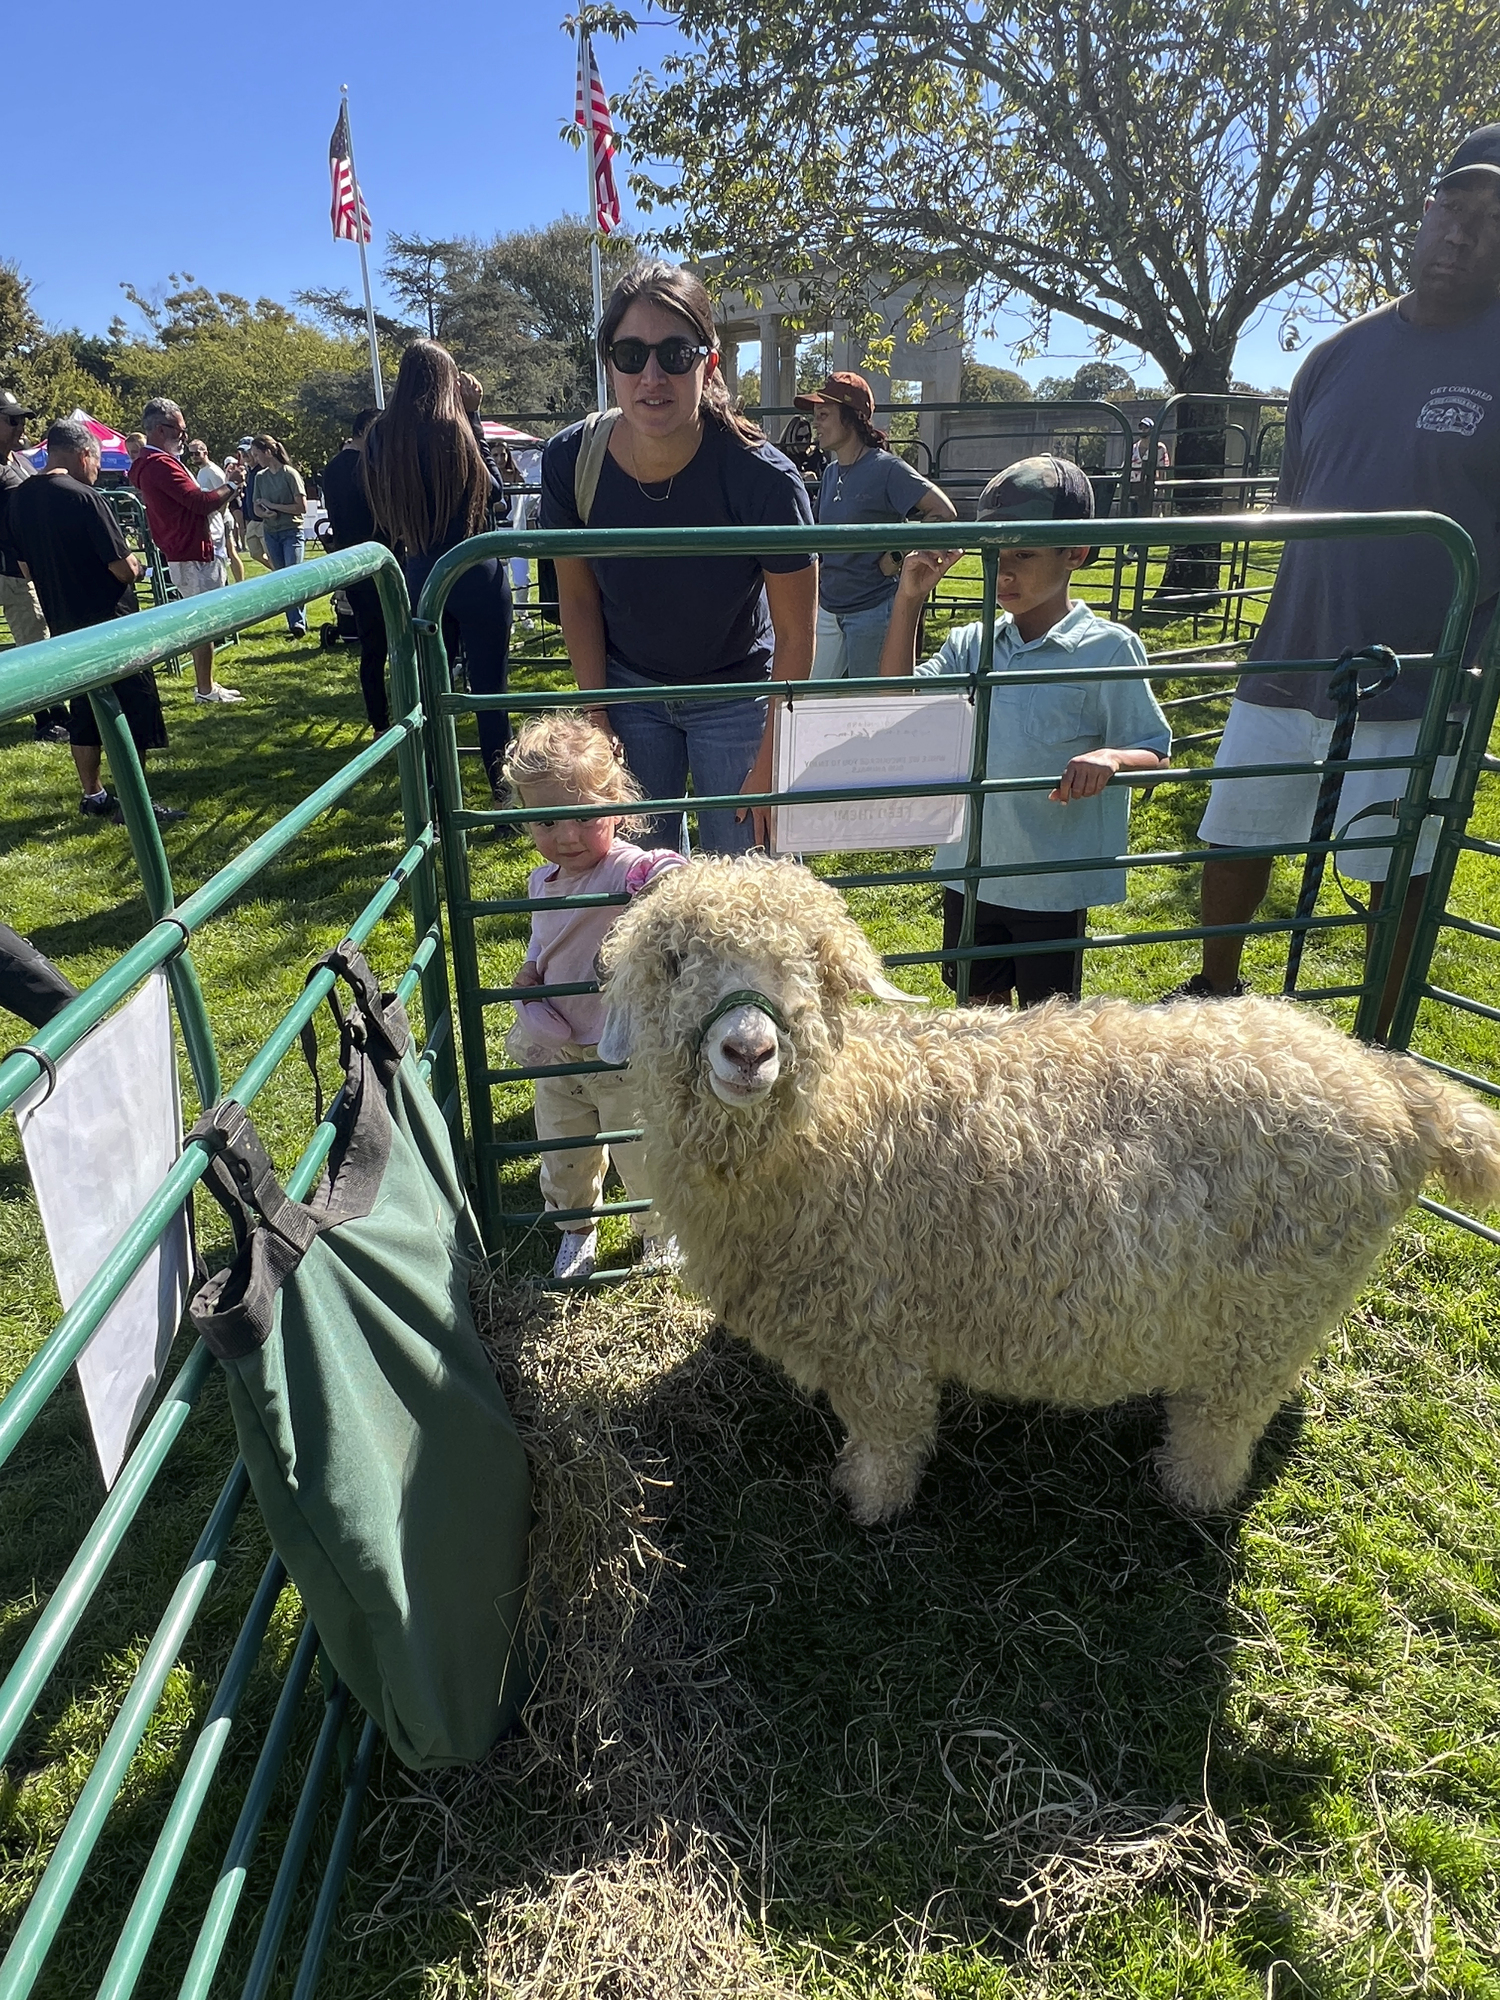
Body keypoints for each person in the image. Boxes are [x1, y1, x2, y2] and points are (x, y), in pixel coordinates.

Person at [1179, 123, 1500, 1036]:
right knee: (1236, 828)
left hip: (1423, 675)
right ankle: (1214, 993)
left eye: (1494, 220)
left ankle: (1379, 1036)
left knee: (1393, 863)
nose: (1463, 236)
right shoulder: (1335, 356)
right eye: (1453, 208)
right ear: (1423, 213)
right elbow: (1301, 500)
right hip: (1292, 647)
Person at [541, 261, 817, 853]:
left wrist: (770, 761)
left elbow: (797, 635)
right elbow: (578, 599)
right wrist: (598, 716)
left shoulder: (765, 479)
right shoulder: (571, 460)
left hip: (737, 694)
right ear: (608, 362)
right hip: (627, 690)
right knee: (634, 880)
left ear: (708, 362)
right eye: (630, 354)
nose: (651, 376)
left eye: (675, 352)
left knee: (740, 887)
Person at [879, 456, 1169, 1007]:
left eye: (1024, 553)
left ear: (1075, 552)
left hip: (1050, 886)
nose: (1004, 572)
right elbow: (895, 701)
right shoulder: (972, 644)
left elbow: (1155, 750)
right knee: (974, 1021)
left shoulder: (1109, 649)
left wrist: (1111, 758)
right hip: (970, 873)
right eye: (994, 554)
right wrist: (908, 601)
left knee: (1046, 1030)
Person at [501, 712, 685, 1280]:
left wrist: (657, 875)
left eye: (584, 815)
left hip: (620, 1047)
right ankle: (576, 1229)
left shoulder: (625, 869)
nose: (567, 836)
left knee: (640, 1147)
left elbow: (668, 871)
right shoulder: (541, 882)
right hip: (557, 1049)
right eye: (547, 820)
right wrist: (530, 972)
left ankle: (656, 1228)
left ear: (617, 803)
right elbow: (544, 941)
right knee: (563, 1149)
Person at [8, 417, 184, 824]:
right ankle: (135, 801)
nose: (97, 470)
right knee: (134, 709)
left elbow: (24, 567)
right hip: (111, 623)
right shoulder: (86, 498)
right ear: (83, 453)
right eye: (97, 460)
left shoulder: (19, 498)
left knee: (84, 708)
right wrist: (138, 566)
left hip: (64, 621)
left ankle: (93, 795)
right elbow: (123, 569)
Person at [362, 344, 513, 786]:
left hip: (419, 571)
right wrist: (475, 419)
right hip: (474, 569)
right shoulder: (454, 426)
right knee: (490, 695)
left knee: (429, 694)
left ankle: (431, 791)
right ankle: (501, 795)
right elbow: (495, 493)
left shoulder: (379, 434)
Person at [794, 371, 955, 679]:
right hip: (829, 608)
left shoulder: (887, 469)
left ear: (851, 417)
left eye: (824, 414)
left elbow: (943, 511)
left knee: (869, 704)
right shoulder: (830, 474)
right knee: (806, 699)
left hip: (872, 609)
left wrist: (897, 554)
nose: (816, 424)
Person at [128, 398, 241, 702]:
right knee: (202, 624)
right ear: (161, 429)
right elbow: (200, 503)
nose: (184, 437)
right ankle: (204, 689)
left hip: (188, 550)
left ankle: (208, 684)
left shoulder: (154, 464)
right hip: (192, 553)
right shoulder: (160, 465)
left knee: (205, 623)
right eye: (180, 430)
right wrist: (231, 486)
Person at [0, 389, 74, 742]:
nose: (20, 426)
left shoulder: (18, 460)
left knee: (41, 635)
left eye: (23, 419)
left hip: (31, 564)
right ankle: (49, 718)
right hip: (12, 569)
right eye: (12, 420)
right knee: (34, 640)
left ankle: (54, 710)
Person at [320, 409, 390, 731]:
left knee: (372, 647)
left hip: (351, 564)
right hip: (380, 560)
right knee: (393, 642)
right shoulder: (368, 466)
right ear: (366, 429)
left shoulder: (331, 468)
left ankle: (378, 720)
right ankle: (401, 710)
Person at [248, 435, 308, 635]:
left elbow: (301, 507)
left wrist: (274, 506)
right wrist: (265, 512)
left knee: (294, 575)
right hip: (271, 532)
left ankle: (298, 621)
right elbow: (256, 507)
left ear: (268, 452)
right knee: (282, 578)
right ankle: (295, 623)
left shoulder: (290, 474)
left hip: (292, 531)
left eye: (257, 454)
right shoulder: (260, 477)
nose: (255, 459)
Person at [186, 437, 244, 583]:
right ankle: (229, 582)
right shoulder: (202, 471)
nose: (194, 457)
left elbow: (227, 493)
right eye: (191, 454)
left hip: (222, 517)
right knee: (224, 553)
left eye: (196, 454)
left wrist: (221, 514)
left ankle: (240, 584)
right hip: (215, 518)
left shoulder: (212, 470)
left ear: (206, 453)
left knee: (230, 553)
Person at [1129, 417, 1170, 498]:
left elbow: (1163, 470)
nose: (1143, 430)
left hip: (1150, 486)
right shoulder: (1133, 448)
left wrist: (1161, 491)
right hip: (1133, 487)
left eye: (1146, 428)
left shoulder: (1159, 448)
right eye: (1141, 428)